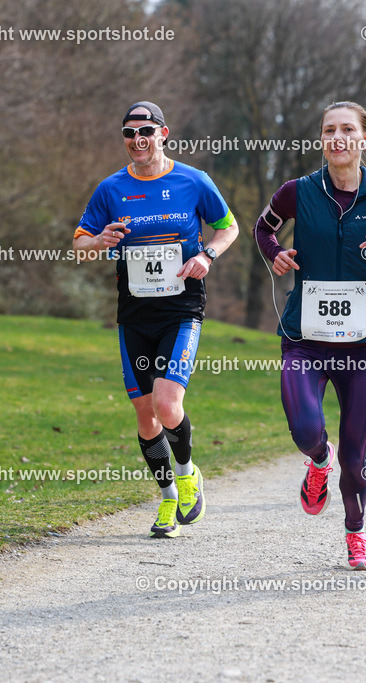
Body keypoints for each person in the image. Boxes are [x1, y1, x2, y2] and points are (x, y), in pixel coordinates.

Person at [254, 101, 366, 570]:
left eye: (348, 129)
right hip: (304, 337)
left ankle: (356, 533)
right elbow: (263, 229)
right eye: (329, 130)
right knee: (305, 430)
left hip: (360, 344)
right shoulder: (297, 192)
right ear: (322, 139)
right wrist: (275, 253)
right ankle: (317, 459)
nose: (338, 138)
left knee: (356, 455)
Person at [73, 101, 238, 537]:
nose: (137, 140)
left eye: (145, 131)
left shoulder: (193, 181)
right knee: (146, 415)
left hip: (181, 309)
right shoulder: (110, 189)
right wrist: (99, 240)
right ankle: (167, 499)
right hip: (134, 313)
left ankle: (186, 474)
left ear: (163, 133)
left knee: (167, 404)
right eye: (129, 133)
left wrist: (208, 255)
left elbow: (229, 227)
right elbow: (79, 244)